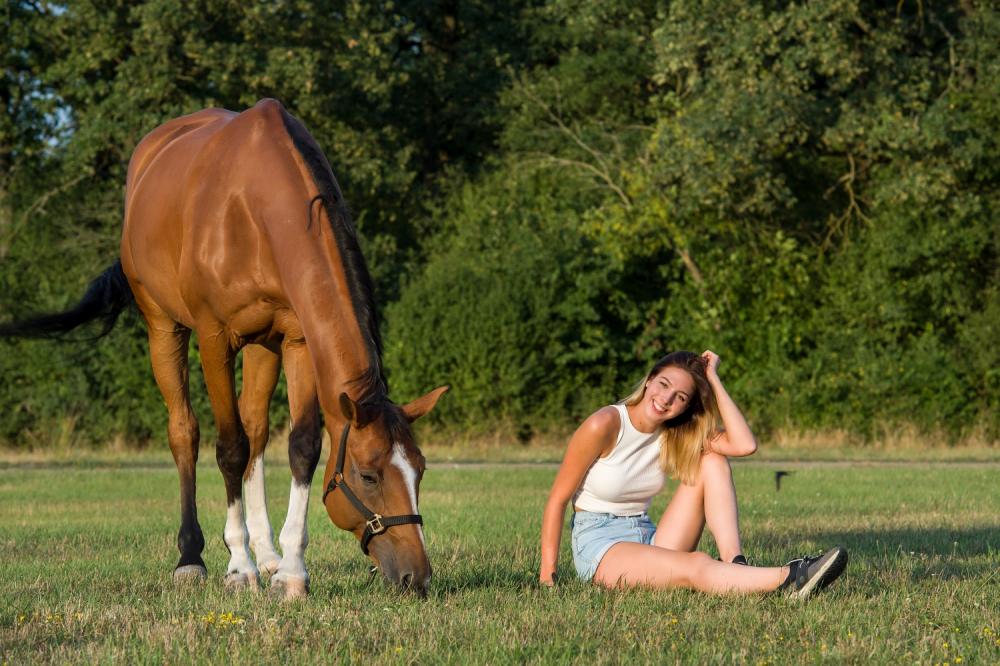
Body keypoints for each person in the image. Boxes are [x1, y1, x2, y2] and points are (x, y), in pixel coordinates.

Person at [538, 350, 847, 597]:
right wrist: (547, 577)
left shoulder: (674, 433)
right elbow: (557, 500)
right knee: (696, 564)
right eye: (663, 385)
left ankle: (735, 562)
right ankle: (790, 576)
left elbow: (745, 444)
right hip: (600, 545)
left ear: (686, 407)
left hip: (647, 535)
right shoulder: (604, 424)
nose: (667, 400)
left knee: (713, 461)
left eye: (681, 397)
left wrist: (713, 379)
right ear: (649, 380)